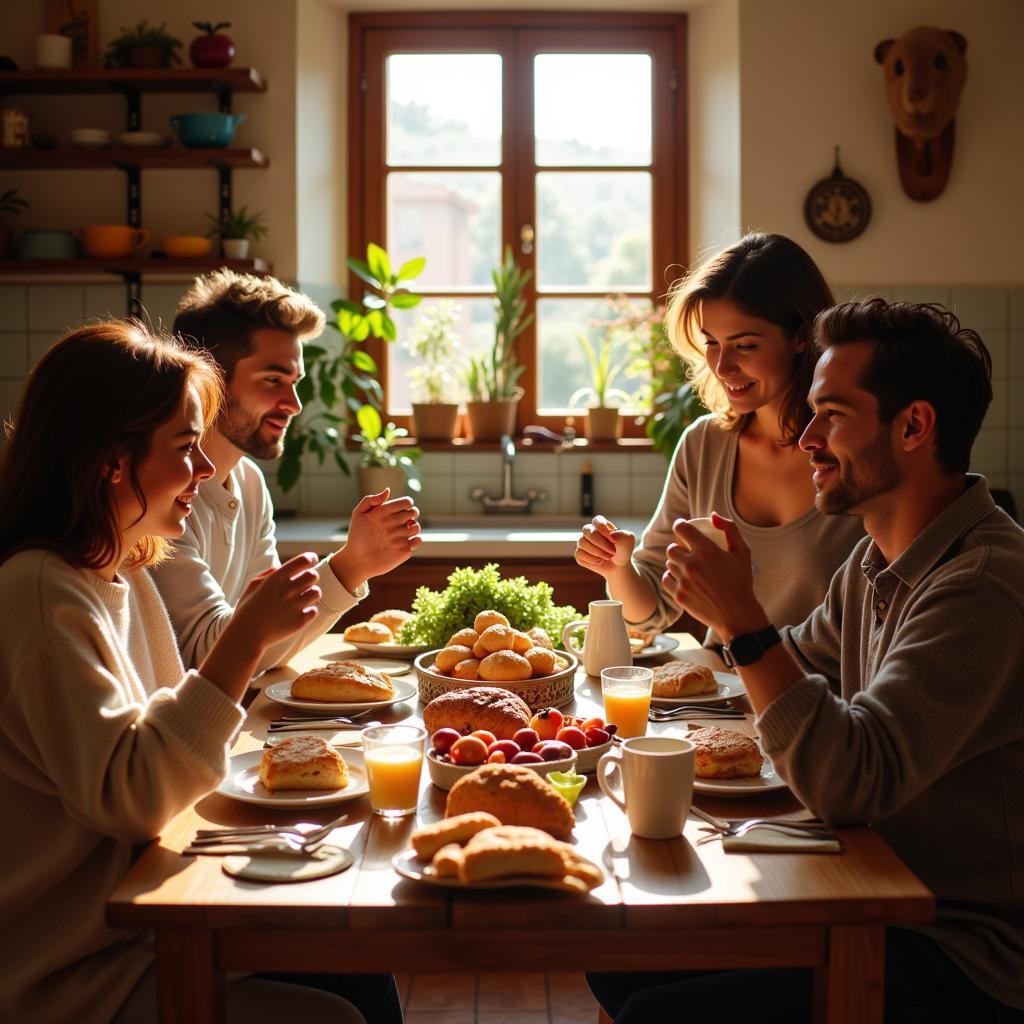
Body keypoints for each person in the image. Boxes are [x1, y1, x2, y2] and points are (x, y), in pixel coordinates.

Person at [590, 299, 1024, 1022]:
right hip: (864, 879)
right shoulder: (874, 560)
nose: (808, 438)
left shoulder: (980, 586)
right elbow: (791, 677)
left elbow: (852, 779)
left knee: (655, 1015)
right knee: (617, 957)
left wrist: (742, 618)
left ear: (914, 426)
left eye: (833, 415)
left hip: (965, 947)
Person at [0, 322, 402, 1023]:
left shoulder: (117, 571)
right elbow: (132, 797)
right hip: (79, 968)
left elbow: (165, 759)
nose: (208, 471)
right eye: (186, 450)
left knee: (360, 965)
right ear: (110, 461)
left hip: (145, 915)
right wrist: (244, 637)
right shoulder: (41, 594)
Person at [574, 233, 864, 643]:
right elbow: (650, 610)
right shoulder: (704, 446)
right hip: (723, 701)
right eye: (711, 342)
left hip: (824, 704)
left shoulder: (856, 449)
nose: (722, 366)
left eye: (745, 345)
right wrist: (618, 568)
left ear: (803, 336)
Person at [151, 269, 420, 672]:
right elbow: (204, 654)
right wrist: (346, 567)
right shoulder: (164, 493)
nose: (293, 403)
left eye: (294, 381)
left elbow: (262, 642)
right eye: (273, 379)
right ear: (209, 382)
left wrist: (354, 566)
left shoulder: (249, 483)